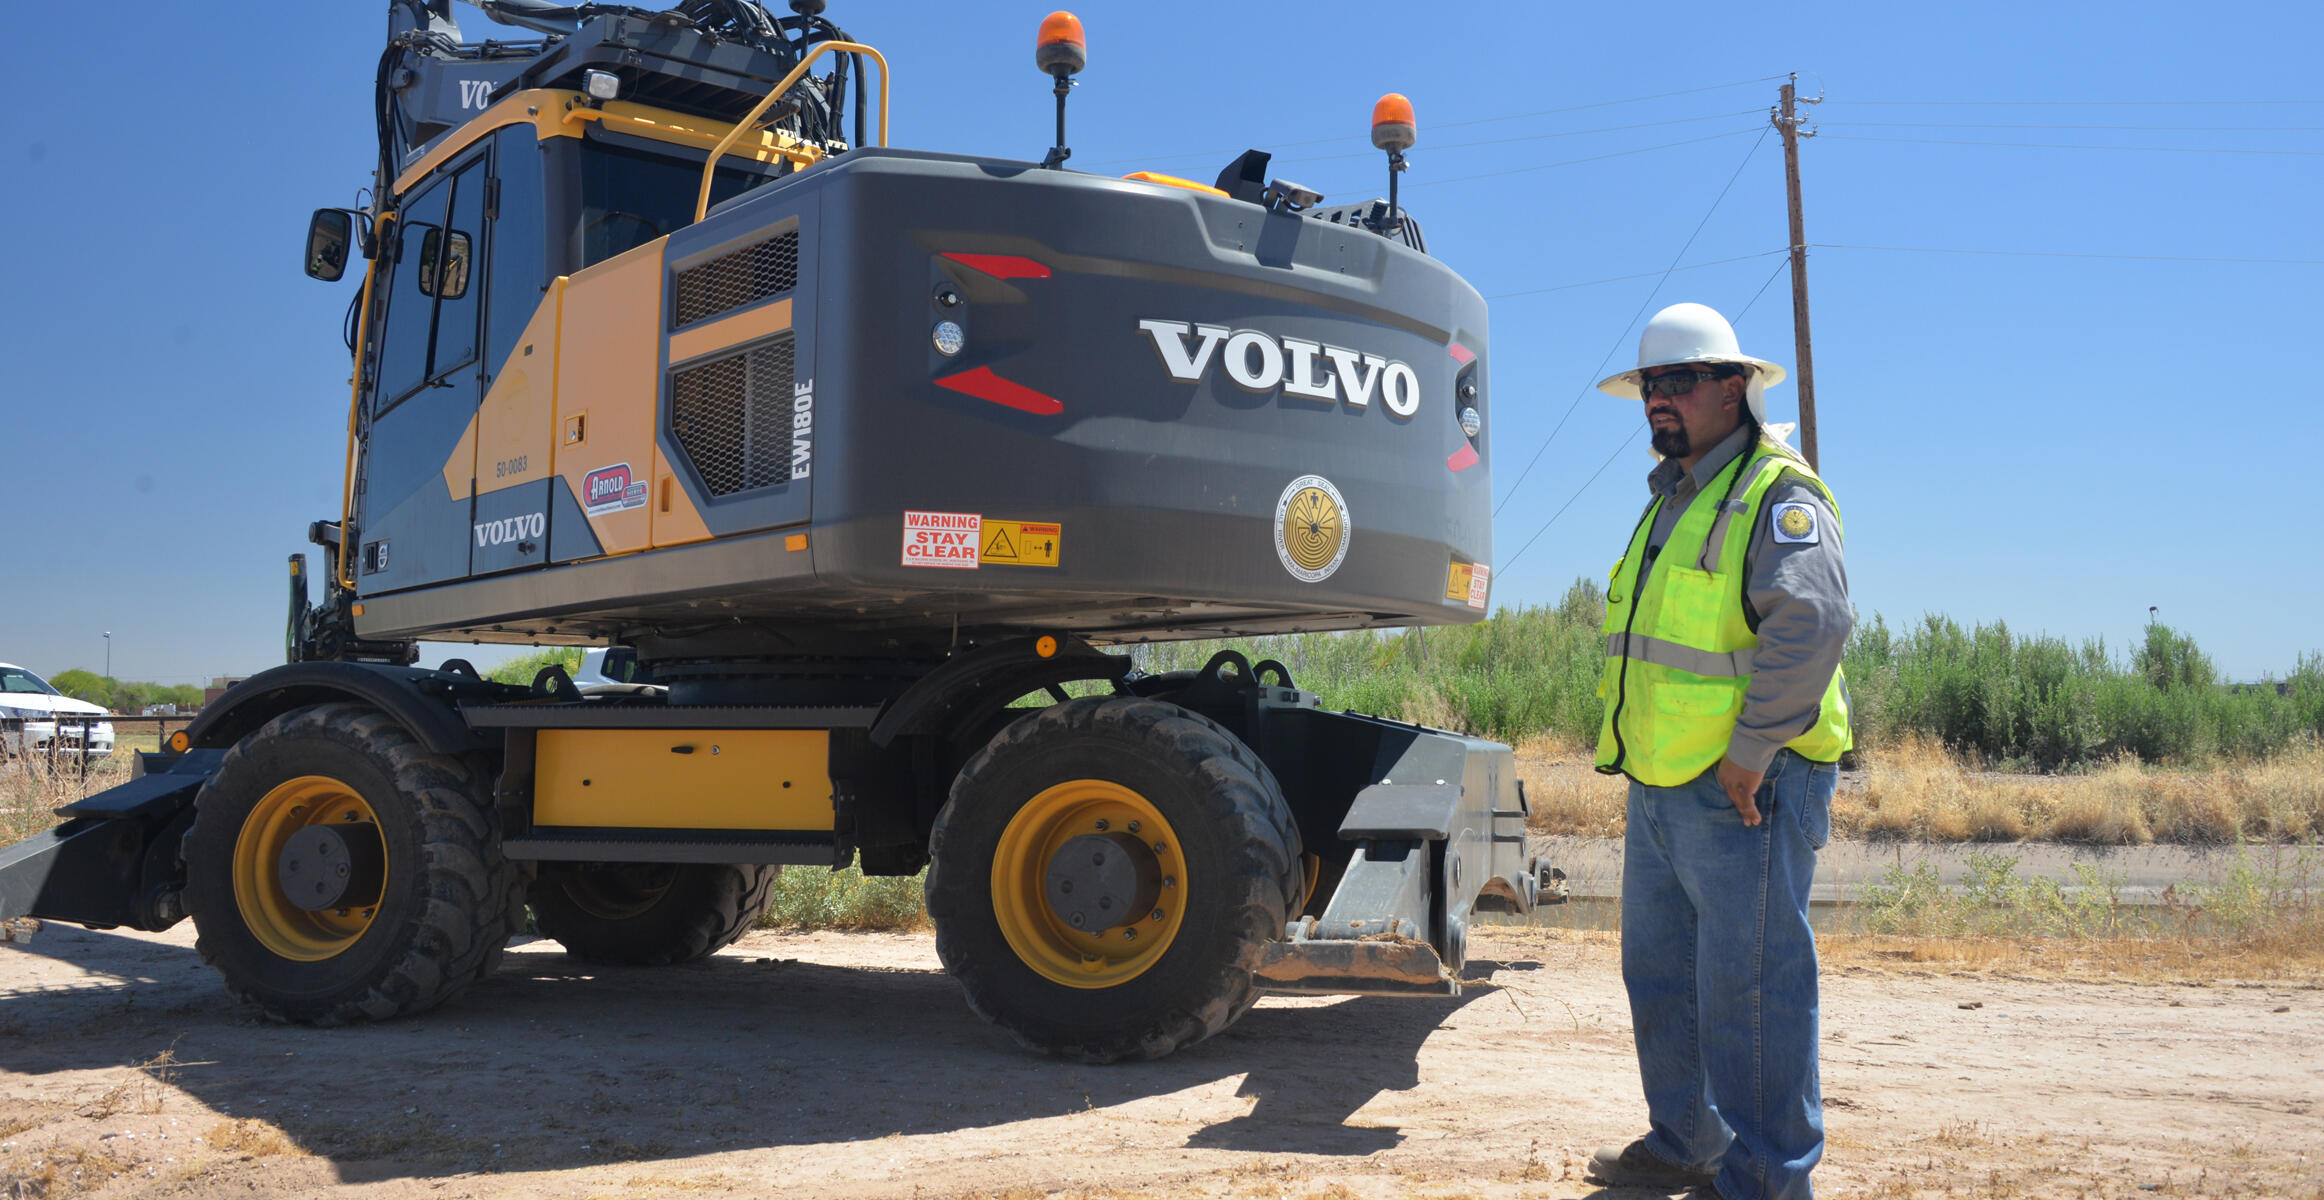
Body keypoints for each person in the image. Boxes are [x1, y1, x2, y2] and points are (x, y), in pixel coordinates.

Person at [1583, 302, 1852, 1200]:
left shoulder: (1777, 493)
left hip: (1748, 785)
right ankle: (1687, 1140)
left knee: (1751, 991)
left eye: (1679, 381)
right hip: (1666, 782)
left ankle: (1768, 1180)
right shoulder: (1676, 498)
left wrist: (1751, 750)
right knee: (1662, 977)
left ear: (1733, 388)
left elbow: (1812, 622)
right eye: (1649, 386)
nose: (1659, 399)